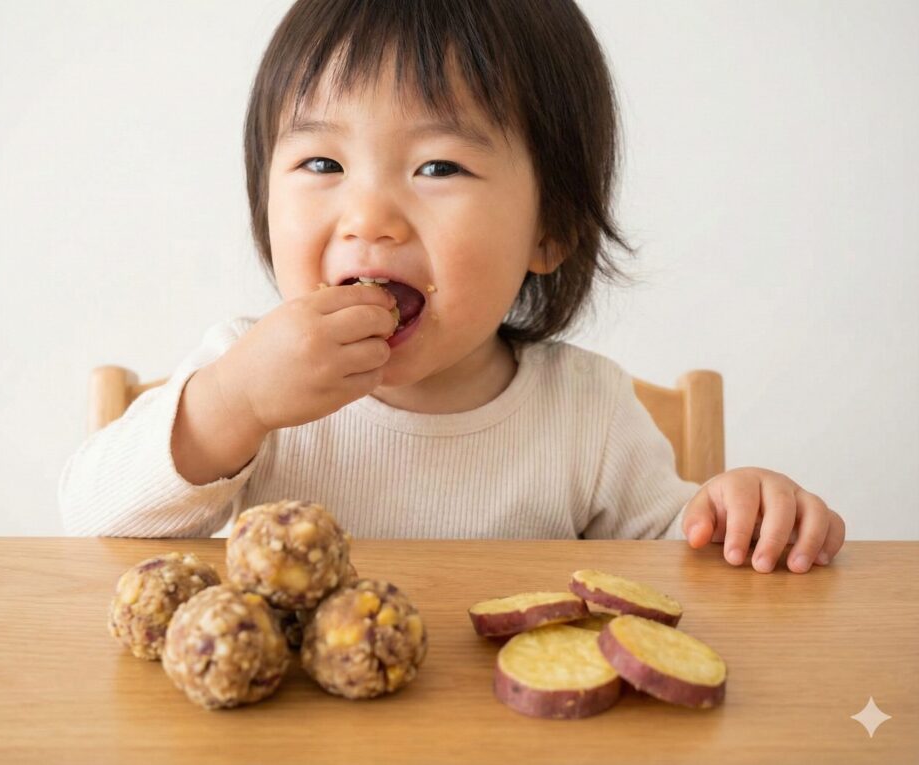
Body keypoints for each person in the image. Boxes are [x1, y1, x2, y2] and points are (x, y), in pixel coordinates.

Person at [59, 0, 845, 574]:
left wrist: (739, 514)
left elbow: (678, 573)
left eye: (438, 166)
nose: (368, 217)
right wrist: (230, 404)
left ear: (550, 228)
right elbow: (89, 519)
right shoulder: (244, 374)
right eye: (322, 163)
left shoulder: (587, 413)